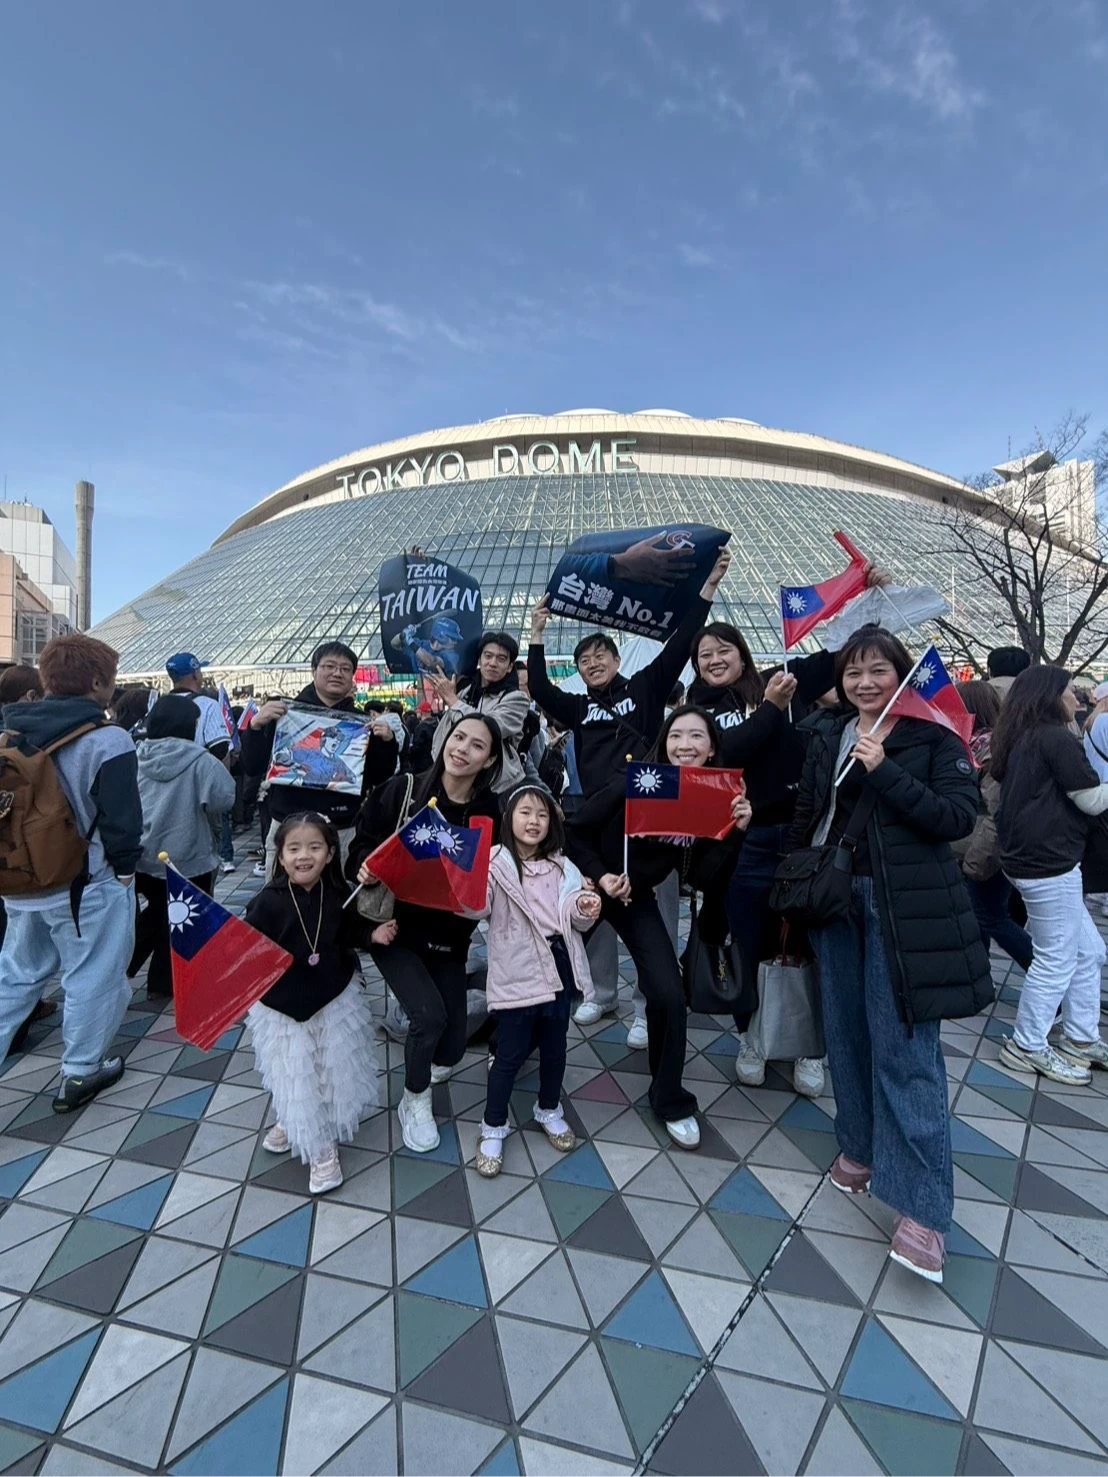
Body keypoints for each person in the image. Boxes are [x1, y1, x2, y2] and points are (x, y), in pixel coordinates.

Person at [790, 627, 992, 1283]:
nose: (865, 682)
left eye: (878, 670)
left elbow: (956, 818)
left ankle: (924, 1210)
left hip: (903, 908)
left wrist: (887, 769)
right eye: (853, 672)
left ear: (902, 674)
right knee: (846, 1034)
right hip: (835, 901)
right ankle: (860, 1147)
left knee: (905, 1050)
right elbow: (809, 811)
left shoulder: (933, 735)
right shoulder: (831, 732)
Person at [529, 547, 733, 1044]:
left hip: (654, 817)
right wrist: (535, 635)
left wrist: (706, 590)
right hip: (598, 822)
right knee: (596, 907)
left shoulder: (643, 688)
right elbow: (539, 688)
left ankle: (648, 1004)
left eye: (600, 656)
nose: (593, 663)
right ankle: (601, 992)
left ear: (617, 659)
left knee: (657, 912)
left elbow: (681, 644)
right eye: (584, 660)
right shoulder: (577, 708)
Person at [566, 705, 753, 1150]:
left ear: (712, 749)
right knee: (550, 973)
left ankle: (669, 1098)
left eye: (696, 737)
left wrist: (736, 831)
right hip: (587, 888)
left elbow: (704, 877)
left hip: (637, 899)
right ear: (664, 743)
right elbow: (574, 832)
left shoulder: (714, 798)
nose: (685, 745)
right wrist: (601, 875)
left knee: (668, 993)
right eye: (676, 736)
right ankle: (508, 1047)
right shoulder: (635, 780)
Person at [686, 619, 839, 1094]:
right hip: (743, 840)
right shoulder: (699, 709)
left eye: (723, 649)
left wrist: (863, 600)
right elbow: (724, 756)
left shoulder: (779, 680)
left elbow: (833, 660)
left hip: (798, 835)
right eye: (704, 654)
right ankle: (751, 1035)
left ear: (742, 652)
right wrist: (772, 709)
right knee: (748, 940)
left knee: (802, 941)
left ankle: (810, 1045)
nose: (714, 660)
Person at [347, 714, 503, 1153]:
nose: (462, 749)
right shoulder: (405, 791)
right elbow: (362, 842)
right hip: (395, 930)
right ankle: (414, 1100)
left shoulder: (489, 812)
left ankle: (428, 1048)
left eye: (477, 745)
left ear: (490, 759)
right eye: (458, 737)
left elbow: (498, 870)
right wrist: (363, 864)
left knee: (451, 1048)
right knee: (428, 1017)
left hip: (450, 939)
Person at [0, 633, 142, 1111]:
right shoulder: (108, 739)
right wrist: (126, 873)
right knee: (92, 976)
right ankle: (81, 1072)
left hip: (20, 883)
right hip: (85, 886)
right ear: (98, 682)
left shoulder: (11, 731)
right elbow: (122, 820)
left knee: (15, 976)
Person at [245, 813, 379, 1193]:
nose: (304, 856)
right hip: (283, 1005)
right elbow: (246, 950)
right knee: (293, 1070)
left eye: (314, 847)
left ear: (330, 853)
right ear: (280, 856)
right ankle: (302, 1129)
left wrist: (373, 935)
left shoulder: (339, 893)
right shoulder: (266, 902)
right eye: (294, 849)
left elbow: (350, 932)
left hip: (332, 997)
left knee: (327, 1068)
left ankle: (323, 1143)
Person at [472, 784, 602, 1177]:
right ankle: (493, 1125)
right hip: (517, 968)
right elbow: (478, 906)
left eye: (542, 814)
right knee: (509, 1054)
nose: (534, 821)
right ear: (508, 818)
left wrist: (584, 906)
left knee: (555, 1047)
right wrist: (467, 884)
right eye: (525, 812)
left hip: (559, 965)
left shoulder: (563, 866)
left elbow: (574, 914)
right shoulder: (494, 862)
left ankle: (549, 1108)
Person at [993, 666, 1108, 1085]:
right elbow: (1091, 800)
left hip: (1033, 859)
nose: (1079, 698)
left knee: (1088, 951)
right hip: (1050, 862)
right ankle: (1027, 1045)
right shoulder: (1055, 738)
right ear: (1051, 696)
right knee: (1056, 958)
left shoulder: (1021, 736)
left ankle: (1080, 1036)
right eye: (1070, 690)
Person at [240, 642, 399, 873]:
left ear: (352, 677)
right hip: (288, 826)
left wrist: (387, 743)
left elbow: (378, 776)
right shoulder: (284, 715)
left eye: (345, 669)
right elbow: (252, 766)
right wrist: (255, 727)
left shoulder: (361, 725)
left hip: (341, 829)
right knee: (282, 894)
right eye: (329, 666)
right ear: (314, 670)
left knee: (339, 892)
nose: (337, 673)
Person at [128, 696, 236, 997]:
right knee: (182, 918)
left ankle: (128, 965)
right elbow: (223, 799)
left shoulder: (136, 754)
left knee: (159, 910)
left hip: (143, 855)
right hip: (189, 858)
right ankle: (162, 981)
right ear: (190, 725)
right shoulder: (201, 760)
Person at [954, 681, 1033, 971]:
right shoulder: (996, 742)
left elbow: (998, 811)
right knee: (981, 915)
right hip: (992, 848)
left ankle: (1049, 977)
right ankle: (979, 973)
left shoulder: (986, 749)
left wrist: (976, 861)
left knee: (990, 916)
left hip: (987, 851)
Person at [429, 631, 530, 793]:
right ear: (479, 659)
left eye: (501, 659)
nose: (492, 663)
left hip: (492, 786)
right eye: (488, 656)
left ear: (510, 666)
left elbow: (489, 727)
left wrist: (453, 701)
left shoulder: (516, 699)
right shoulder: (465, 689)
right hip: (449, 776)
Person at [163, 653, 232, 758]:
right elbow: (220, 749)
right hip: (197, 766)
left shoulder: (158, 706)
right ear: (195, 674)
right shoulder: (208, 705)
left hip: (163, 766)